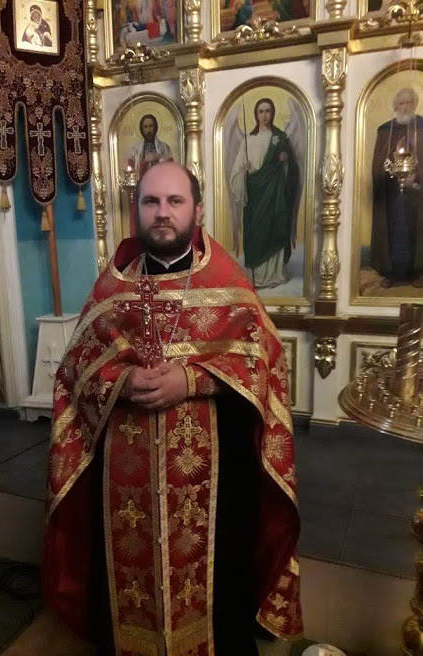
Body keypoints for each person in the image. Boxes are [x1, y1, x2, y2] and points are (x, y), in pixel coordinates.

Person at [43, 162, 302, 656]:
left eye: (175, 201)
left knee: (219, 590)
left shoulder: (228, 284)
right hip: (123, 487)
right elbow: (74, 372)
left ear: (197, 211)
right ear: (137, 210)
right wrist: (120, 380)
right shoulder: (111, 289)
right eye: (151, 202)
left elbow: (264, 366)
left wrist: (194, 379)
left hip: (216, 483)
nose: (163, 213)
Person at [230, 98, 300, 289]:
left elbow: (293, 172)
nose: (264, 115)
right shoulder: (248, 140)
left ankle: (275, 273)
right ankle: (258, 277)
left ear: (273, 113)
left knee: (274, 226)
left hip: (275, 194)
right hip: (255, 195)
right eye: (261, 111)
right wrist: (243, 171)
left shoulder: (281, 138)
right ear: (256, 114)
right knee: (257, 233)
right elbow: (236, 172)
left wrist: (285, 162)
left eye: (268, 111)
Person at [370, 87, 423, 288]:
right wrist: (391, 173)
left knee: (416, 230)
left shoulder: (422, 126)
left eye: (409, 103)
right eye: (402, 103)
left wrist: (416, 178)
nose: (405, 107)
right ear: (395, 106)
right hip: (392, 192)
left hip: (417, 194)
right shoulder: (386, 130)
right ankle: (391, 273)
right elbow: (378, 164)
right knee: (393, 230)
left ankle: (417, 272)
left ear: (415, 104)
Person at [126, 114, 173, 235]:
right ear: (141, 129)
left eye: (151, 126)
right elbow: (131, 173)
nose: (148, 130)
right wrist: (144, 161)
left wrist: (159, 160)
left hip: (161, 190)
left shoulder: (164, 148)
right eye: (145, 127)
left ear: (155, 127)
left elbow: (171, 171)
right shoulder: (135, 150)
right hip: (142, 191)